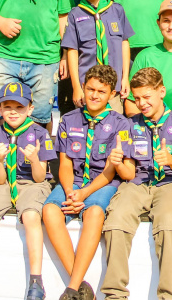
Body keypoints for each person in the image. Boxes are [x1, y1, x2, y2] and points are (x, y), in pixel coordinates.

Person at [42, 64, 131, 300]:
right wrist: (71, 191)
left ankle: (71, 290)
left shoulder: (122, 124)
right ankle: (81, 284)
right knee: (50, 210)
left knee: (94, 214)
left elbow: (110, 173)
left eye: (101, 92)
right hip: (73, 183)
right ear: (83, 87)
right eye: (90, 89)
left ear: (112, 94)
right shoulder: (69, 119)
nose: (94, 95)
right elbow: (65, 164)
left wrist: (84, 194)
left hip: (100, 184)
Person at [0, 82, 56, 300]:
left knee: (31, 215)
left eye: (19, 107)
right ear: (0, 108)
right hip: (5, 185)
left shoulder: (40, 134)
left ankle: (36, 281)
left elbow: (40, 177)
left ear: (30, 109)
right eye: (7, 107)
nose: (13, 112)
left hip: (32, 183)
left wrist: (34, 159)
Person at [101, 68, 172, 300]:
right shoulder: (130, 125)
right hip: (138, 182)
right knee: (116, 221)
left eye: (147, 97)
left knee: (169, 225)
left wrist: (170, 160)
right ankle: (115, 294)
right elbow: (129, 173)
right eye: (137, 98)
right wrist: (118, 164)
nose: (141, 103)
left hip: (169, 183)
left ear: (162, 92)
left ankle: (169, 295)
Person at [62, 0, 133, 111]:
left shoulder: (117, 10)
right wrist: (76, 87)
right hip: (87, 90)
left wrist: (125, 78)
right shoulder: (75, 14)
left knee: (116, 128)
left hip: (114, 90)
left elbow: (124, 43)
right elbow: (72, 51)